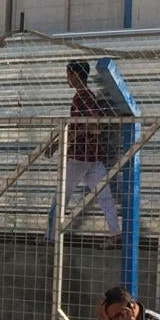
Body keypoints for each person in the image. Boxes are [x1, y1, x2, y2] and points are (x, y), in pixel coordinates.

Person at [45, 61, 121, 247]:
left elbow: (91, 126)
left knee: (61, 196)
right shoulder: (89, 96)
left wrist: (58, 144)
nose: (67, 78)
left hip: (78, 157)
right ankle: (115, 233)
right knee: (105, 197)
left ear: (76, 75)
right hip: (93, 157)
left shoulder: (81, 97)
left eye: (69, 74)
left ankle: (51, 237)